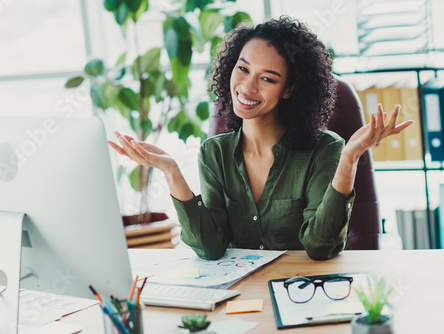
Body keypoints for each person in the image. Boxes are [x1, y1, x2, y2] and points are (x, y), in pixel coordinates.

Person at [108, 16, 412, 261]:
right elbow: (210, 248)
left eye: (267, 78)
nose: (247, 87)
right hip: (240, 300)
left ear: (289, 89)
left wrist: (348, 159)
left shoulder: (325, 149)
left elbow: (320, 247)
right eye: (243, 68)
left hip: (302, 292)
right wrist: (172, 172)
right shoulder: (214, 153)